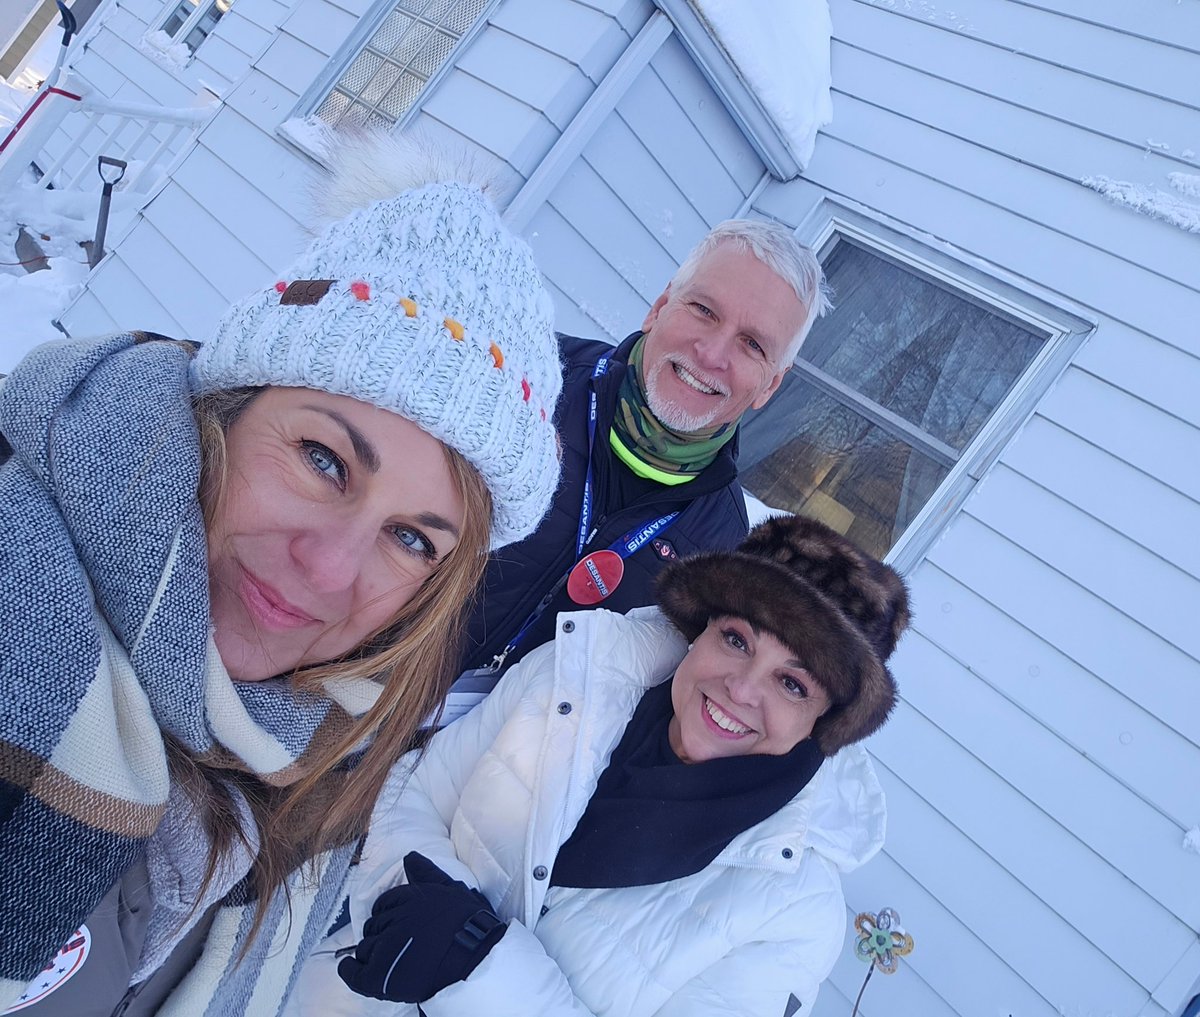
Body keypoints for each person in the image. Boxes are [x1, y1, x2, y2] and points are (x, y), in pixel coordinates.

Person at [0, 133, 562, 1017]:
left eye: (413, 539)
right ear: (222, 405)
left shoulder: (323, 773)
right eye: (324, 459)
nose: (330, 568)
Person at [294, 513, 911, 1017]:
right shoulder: (573, 675)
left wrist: (473, 963)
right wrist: (411, 918)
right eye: (736, 640)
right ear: (700, 629)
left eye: (793, 684)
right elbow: (416, 795)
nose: (741, 690)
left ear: (824, 721)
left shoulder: (794, 911)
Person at [455, 219, 832, 690]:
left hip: (479, 759)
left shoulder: (726, 542)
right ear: (659, 307)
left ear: (770, 385)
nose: (712, 353)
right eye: (703, 310)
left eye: (752, 344)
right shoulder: (530, 377)